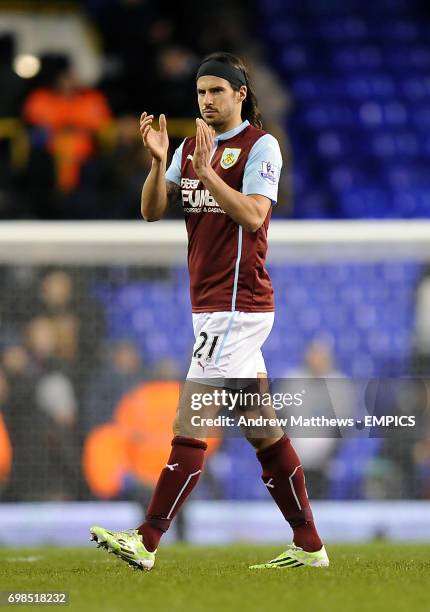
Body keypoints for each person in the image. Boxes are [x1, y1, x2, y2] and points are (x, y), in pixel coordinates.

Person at [90, 51, 329, 571]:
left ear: (241, 93)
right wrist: (159, 163)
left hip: (238, 305)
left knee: (189, 420)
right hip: (210, 306)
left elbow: (253, 215)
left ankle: (147, 539)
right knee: (263, 431)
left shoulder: (260, 146)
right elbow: (152, 211)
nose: (207, 100)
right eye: (201, 92)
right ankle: (309, 544)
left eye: (217, 91)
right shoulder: (188, 147)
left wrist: (208, 174)